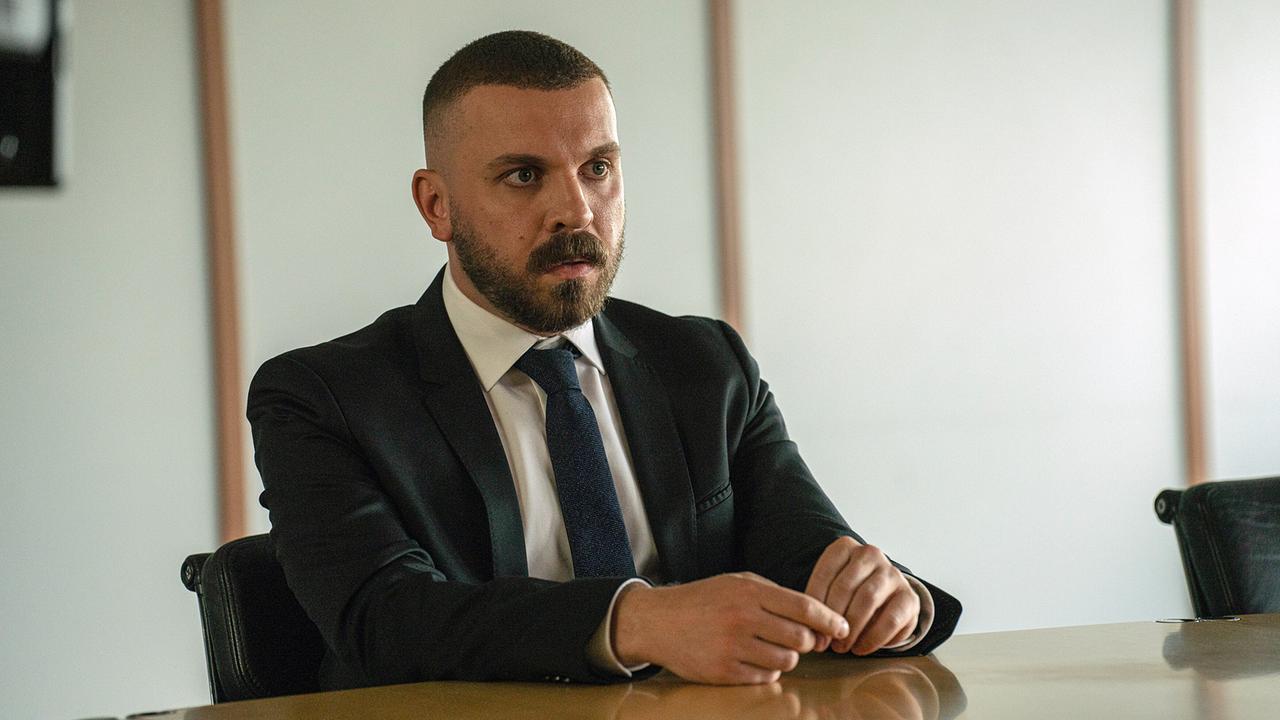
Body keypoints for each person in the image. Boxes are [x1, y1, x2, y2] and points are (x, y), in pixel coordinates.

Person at [247, 30, 960, 690]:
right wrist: (632, 621)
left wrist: (887, 601)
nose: (576, 211)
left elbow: (811, 557)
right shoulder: (321, 397)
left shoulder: (704, 364)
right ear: (437, 206)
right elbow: (386, 619)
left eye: (597, 168)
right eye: (525, 176)